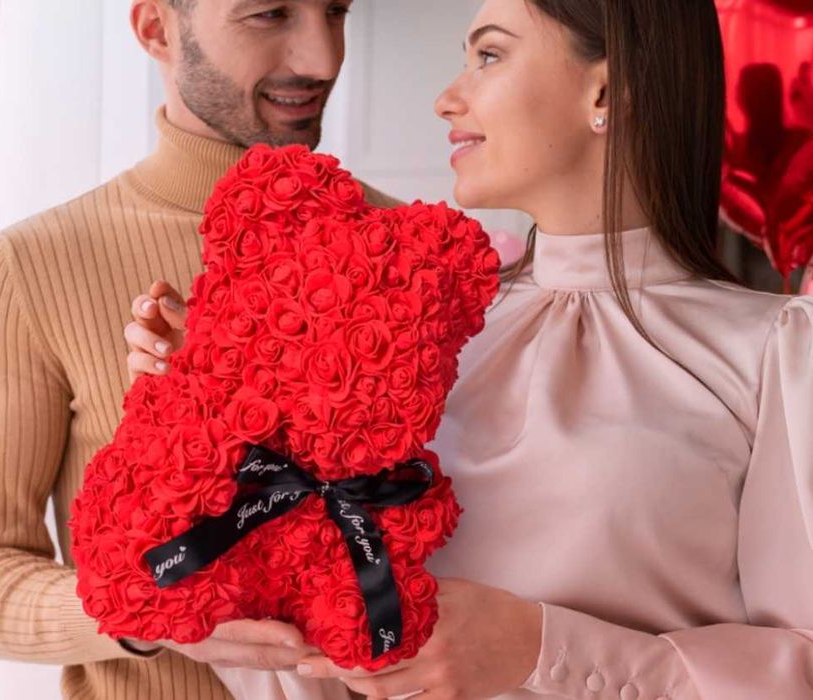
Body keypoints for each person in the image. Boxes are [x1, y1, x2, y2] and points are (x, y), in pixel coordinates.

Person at [126, 1, 813, 699]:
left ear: (604, 91)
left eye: (489, 56)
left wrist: (543, 651)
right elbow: (311, 650)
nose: (446, 99)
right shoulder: (415, 327)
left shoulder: (775, 353)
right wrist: (214, 409)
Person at [0, 1, 399, 699]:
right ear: (156, 29)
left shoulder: (406, 248)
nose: (322, 59)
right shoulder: (36, 262)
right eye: (271, 14)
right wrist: (145, 610)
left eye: (336, 10)